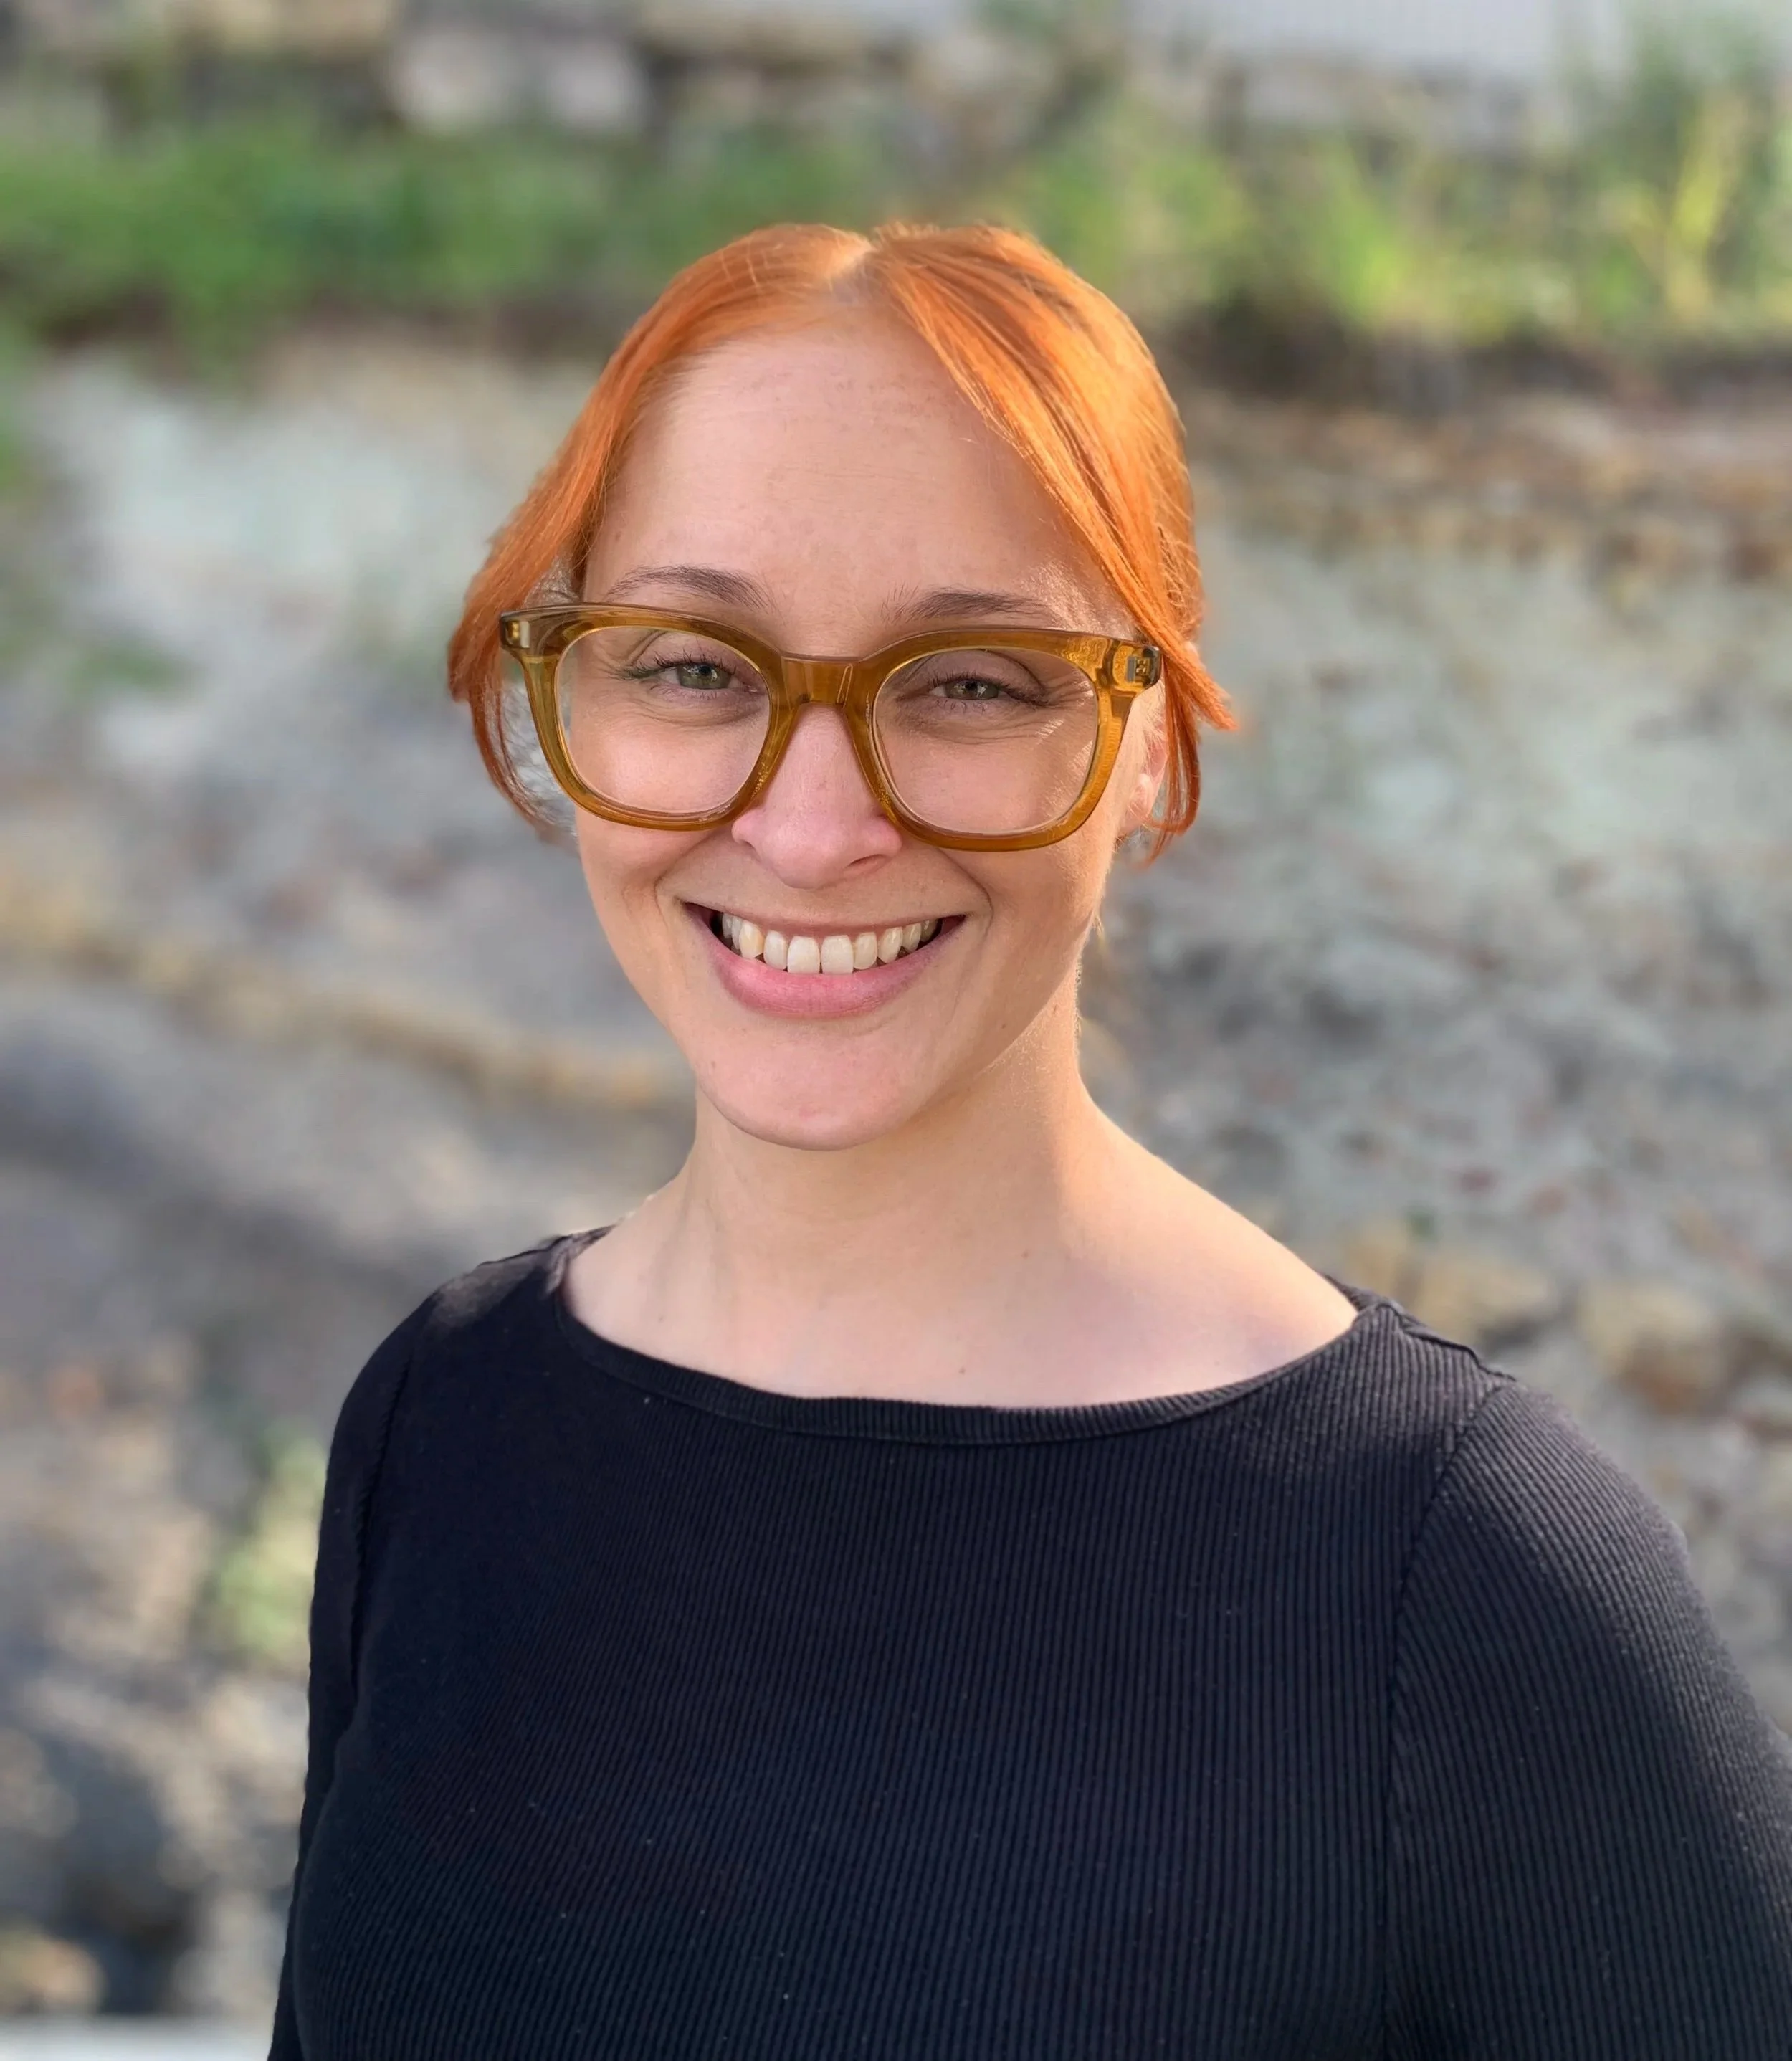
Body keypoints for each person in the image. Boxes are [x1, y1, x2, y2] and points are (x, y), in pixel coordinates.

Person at [271, 223, 1792, 2059]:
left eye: (972, 682)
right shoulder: (442, 1423)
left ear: (1147, 747)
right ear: (558, 688)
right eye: (690, 666)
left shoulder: (1458, 1581)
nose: (814, 826)